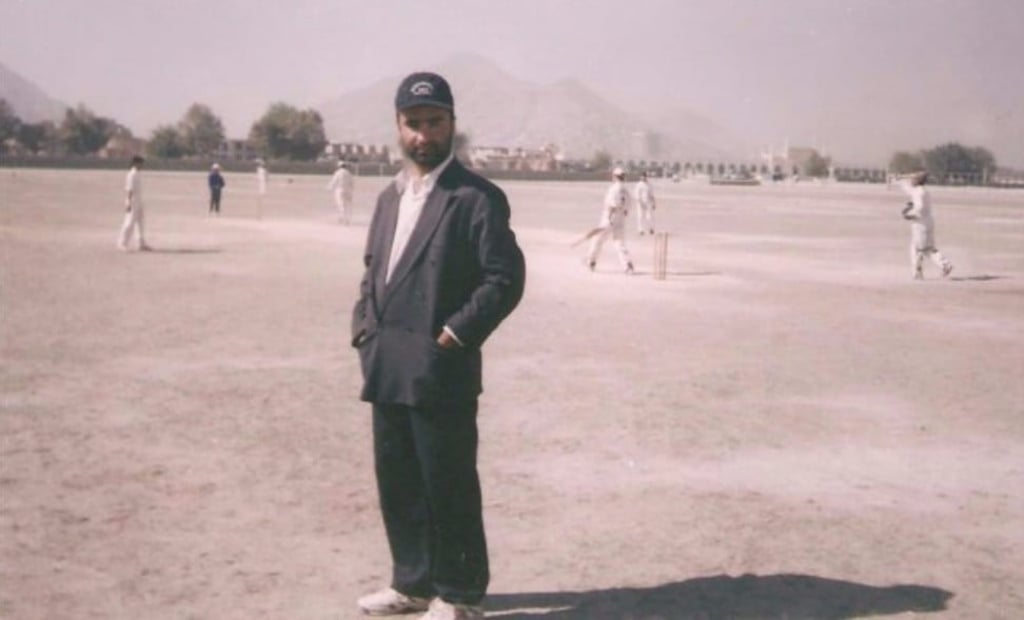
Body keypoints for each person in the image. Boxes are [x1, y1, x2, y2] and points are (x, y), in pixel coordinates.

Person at [351, 71, 525, 620]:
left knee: (447, 483)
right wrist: (363, 329)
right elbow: (372, 272)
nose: (423, 135)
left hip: (440, 366)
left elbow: (504, 278)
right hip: (387, 363)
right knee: (398, 481)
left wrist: (455, 333)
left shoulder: (476, 198)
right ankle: (412, 583)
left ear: (452, 123)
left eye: (434, 122)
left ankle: (460, 594)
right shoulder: (389, 198)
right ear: (398, 127)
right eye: (413, 124)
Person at [898, 171, 953, 280]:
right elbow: (908, 189)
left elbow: (919, 208)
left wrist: (909, 214)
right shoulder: (924, 191)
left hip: (920, 223)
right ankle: (944, 264)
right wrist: (901, 180)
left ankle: (918, 272)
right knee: (928, 248)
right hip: (928, 222)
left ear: (918, 181)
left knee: (917, 249)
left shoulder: (919, 192)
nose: (912, 180)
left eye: (914, 179)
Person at [586, 167, 635, 274]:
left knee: (598, 240)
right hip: (620, 219)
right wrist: (621, 214)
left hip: (610, 218)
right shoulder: (626, 191)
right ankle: (627, 265)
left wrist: (608, 219)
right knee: (620, 243)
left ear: (615, 177)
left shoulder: (614, 189)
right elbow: (628, 208)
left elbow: (612, 205)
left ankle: (591, 261)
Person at [117, 155, 151, 251]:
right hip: (133, 200)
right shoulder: (131, 174)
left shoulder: (137, 173)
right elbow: (129, 189)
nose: (142, 165)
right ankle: (122, 243)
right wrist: (128, 202)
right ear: (136, 163)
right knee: (129, 222)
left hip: (139, 199)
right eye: (141, 163)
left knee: (140, 222)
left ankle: (141, 243)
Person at [634, 171, 656, 235]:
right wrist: (640, 203)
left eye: (645, 176)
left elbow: (651, 195)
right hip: (640, 202)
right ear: (640, 177)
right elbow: (637, 195)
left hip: (648, 202)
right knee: (640, 216)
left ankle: (651, 229)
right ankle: (640, 230)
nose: (644, 177)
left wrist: (654, 203)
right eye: (642, 176)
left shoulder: (649, 184)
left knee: (649, 216)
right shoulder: (639, 185)